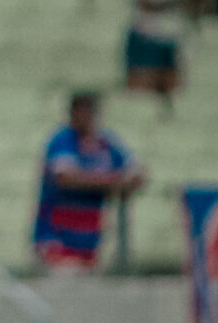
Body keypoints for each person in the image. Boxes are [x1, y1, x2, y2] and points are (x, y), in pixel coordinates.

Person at [33, 92, 144, 271]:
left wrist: (114, 181)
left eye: (89, 112)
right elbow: (66, 178)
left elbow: (137, 174)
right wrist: (112, 182)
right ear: (72, 114)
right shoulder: (62, 140)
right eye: (80, 112)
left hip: (90, 241)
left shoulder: (107, 142)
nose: (85, 117)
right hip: (57, 240)